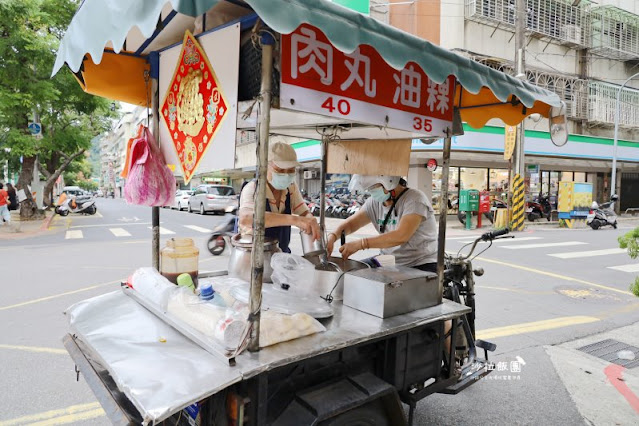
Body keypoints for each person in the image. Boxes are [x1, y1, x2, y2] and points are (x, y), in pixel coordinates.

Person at [326, 174, 438, 272]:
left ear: (389, 183)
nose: (371, 191)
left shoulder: (415, 199)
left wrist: (362, 244)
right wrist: (333, 236)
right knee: (351, 273)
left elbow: (401, 235)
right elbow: (351, 224)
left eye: (373, 187)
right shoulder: (374, 202)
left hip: (420, 264)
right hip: (388, 260)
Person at [239, 142, 320, 253]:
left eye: (291, 170)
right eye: (280, 170)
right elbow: (246, 218)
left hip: (281, 254)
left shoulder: (291, 187)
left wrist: (310, 219)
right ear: (265, 167)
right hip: (254, 257)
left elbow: (304, 212)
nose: (286, 175)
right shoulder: (252, 189)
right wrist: (294, 220)